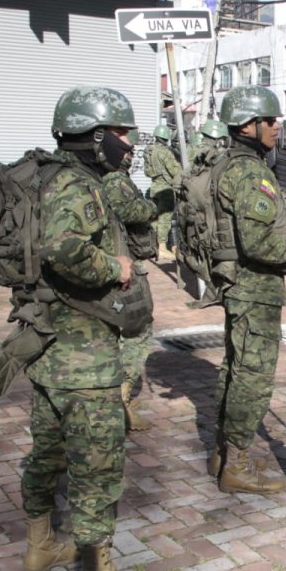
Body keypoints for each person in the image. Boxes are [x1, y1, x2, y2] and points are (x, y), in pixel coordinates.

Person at [21, 86, 143, 571]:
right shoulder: (78, 185)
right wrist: (114, 267)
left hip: (44, 346)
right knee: (96, 467)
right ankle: (96, 563)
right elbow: (65, 251)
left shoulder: (41, 179)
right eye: (118, 132)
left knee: (46, 455)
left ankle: (40, 546)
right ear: (94, 137)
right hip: (84, 360)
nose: (126, 141)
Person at [207, 86, 286, 494]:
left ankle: (224, 453)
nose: (278, 127)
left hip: (242, 286)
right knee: (252, 378)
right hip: (254, 288)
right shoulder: (249, 172)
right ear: (248, 124)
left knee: (235, 369)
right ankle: (236, 465)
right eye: (271, 121)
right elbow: (258, 242)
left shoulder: (234, 164)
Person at [102, 162, 159, 434]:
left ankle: (116, 400)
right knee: (138, 330)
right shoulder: (113, 178)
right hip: (123, 265)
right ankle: (120, 401)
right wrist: (153, 206)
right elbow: (127, 209)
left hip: (112, 262)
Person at [143, 122, 181, 260]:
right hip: (166, 188)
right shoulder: (165, 152)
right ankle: (162, 247)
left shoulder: (149, 150)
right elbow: (175, 171)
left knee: (154, 218)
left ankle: (153, 245)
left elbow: (146, 171)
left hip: (154, 187)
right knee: (165, 218)